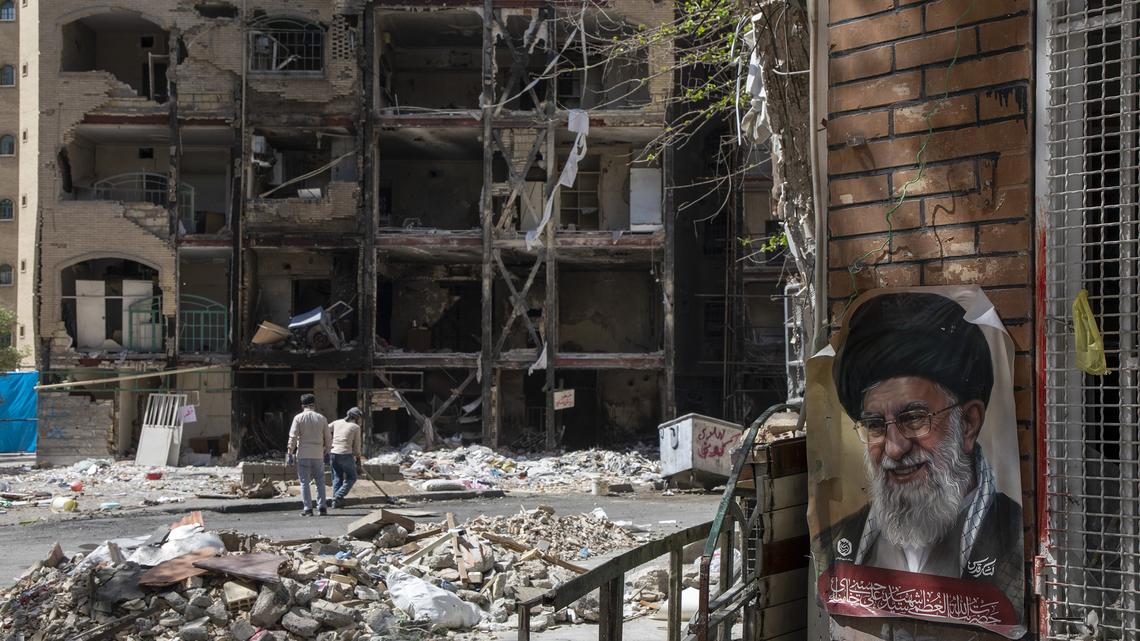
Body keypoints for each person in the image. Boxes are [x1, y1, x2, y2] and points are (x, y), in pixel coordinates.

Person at [819, 292, 1022, 603]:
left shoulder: (1020, 543)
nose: (895, 448)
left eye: (914, 418)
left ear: (968, 423)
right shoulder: (835, 543)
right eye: (874, 425)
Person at [286, 393, 330, 516]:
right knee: (320, 481)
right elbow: (328, 437)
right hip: (318, 454)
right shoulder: (322, 418)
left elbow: (293, 437)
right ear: (314, 405)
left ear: (302, 406)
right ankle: (322, 508)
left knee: (304, 482)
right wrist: (327, 451)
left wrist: (290, 452)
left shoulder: (298, 418)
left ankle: (308, 509)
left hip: (303, 454)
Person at [327, 407, 363, 509]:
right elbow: (357, 445)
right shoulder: (355, 427)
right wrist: (358, 457)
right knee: (352, 477)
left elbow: (325, 430)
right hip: (345, 454)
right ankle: (338, 496)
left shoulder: (336, 422)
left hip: (333, 453)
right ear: (356, 417)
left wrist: (327, 445)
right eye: (359, 417)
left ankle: (336, 503)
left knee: (337, 478)